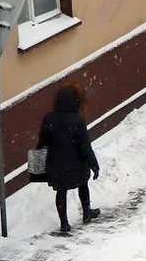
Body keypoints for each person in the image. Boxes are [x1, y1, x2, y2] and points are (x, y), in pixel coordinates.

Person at [38, 83, 100, 234]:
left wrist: (38, 167)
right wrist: (93, 165)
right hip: (77, 163)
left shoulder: (49, 118)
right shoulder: (78, 119)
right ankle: (86, 213)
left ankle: (64, 223)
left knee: (61, 192)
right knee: (83, 185)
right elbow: (85, 145)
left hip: (57, 164)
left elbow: (42, 142)